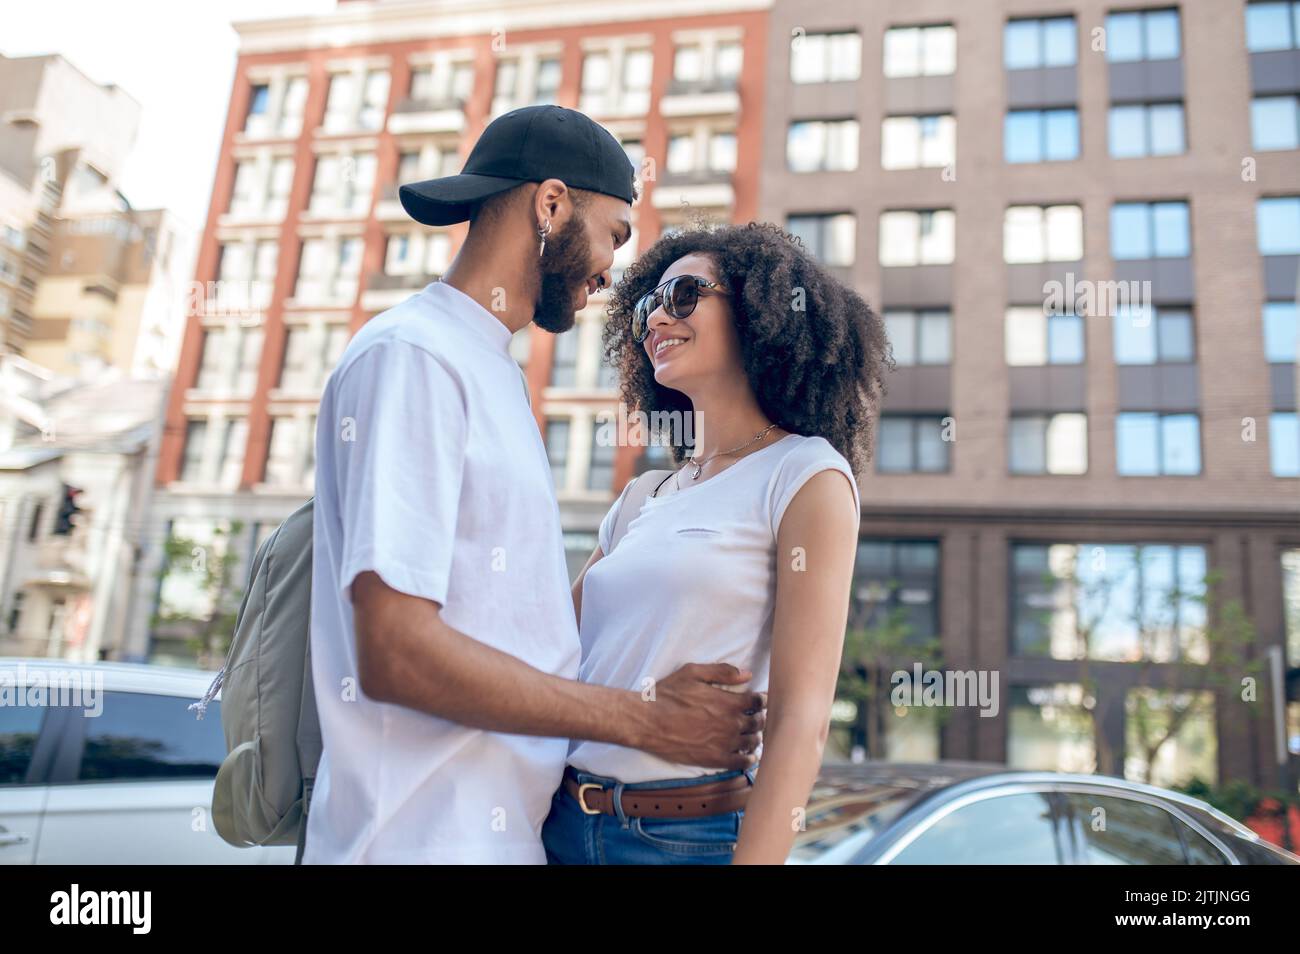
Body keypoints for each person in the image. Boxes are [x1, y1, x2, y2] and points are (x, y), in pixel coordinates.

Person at [305, 106, 765, 864]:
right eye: (613, 234)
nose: (612, 270)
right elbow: (396, 650)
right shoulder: (416, 355)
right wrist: (645, 720)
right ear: (551, 205)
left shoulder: (492, 372)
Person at [540, 222, 890, 864]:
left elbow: (800, 724)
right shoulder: (643, 495)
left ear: (760, 313)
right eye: (648, 305)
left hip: (682, 839)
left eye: (684, 295)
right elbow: (550, 655)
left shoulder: (805, 475)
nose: (654, 320)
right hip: (559, 822)